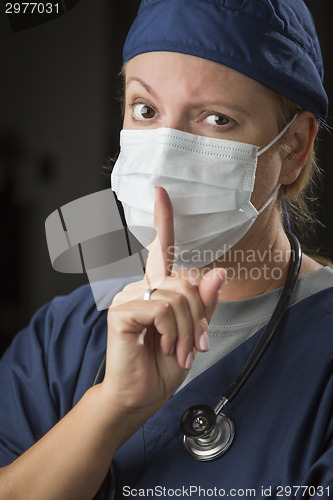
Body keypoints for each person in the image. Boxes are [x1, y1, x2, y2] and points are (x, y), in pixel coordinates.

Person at [0, 0, 333, 498]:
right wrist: (109, 409)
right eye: (146, 110)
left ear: (295, 148)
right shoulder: (62, 339)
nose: (165, 153)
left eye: (217, 119)